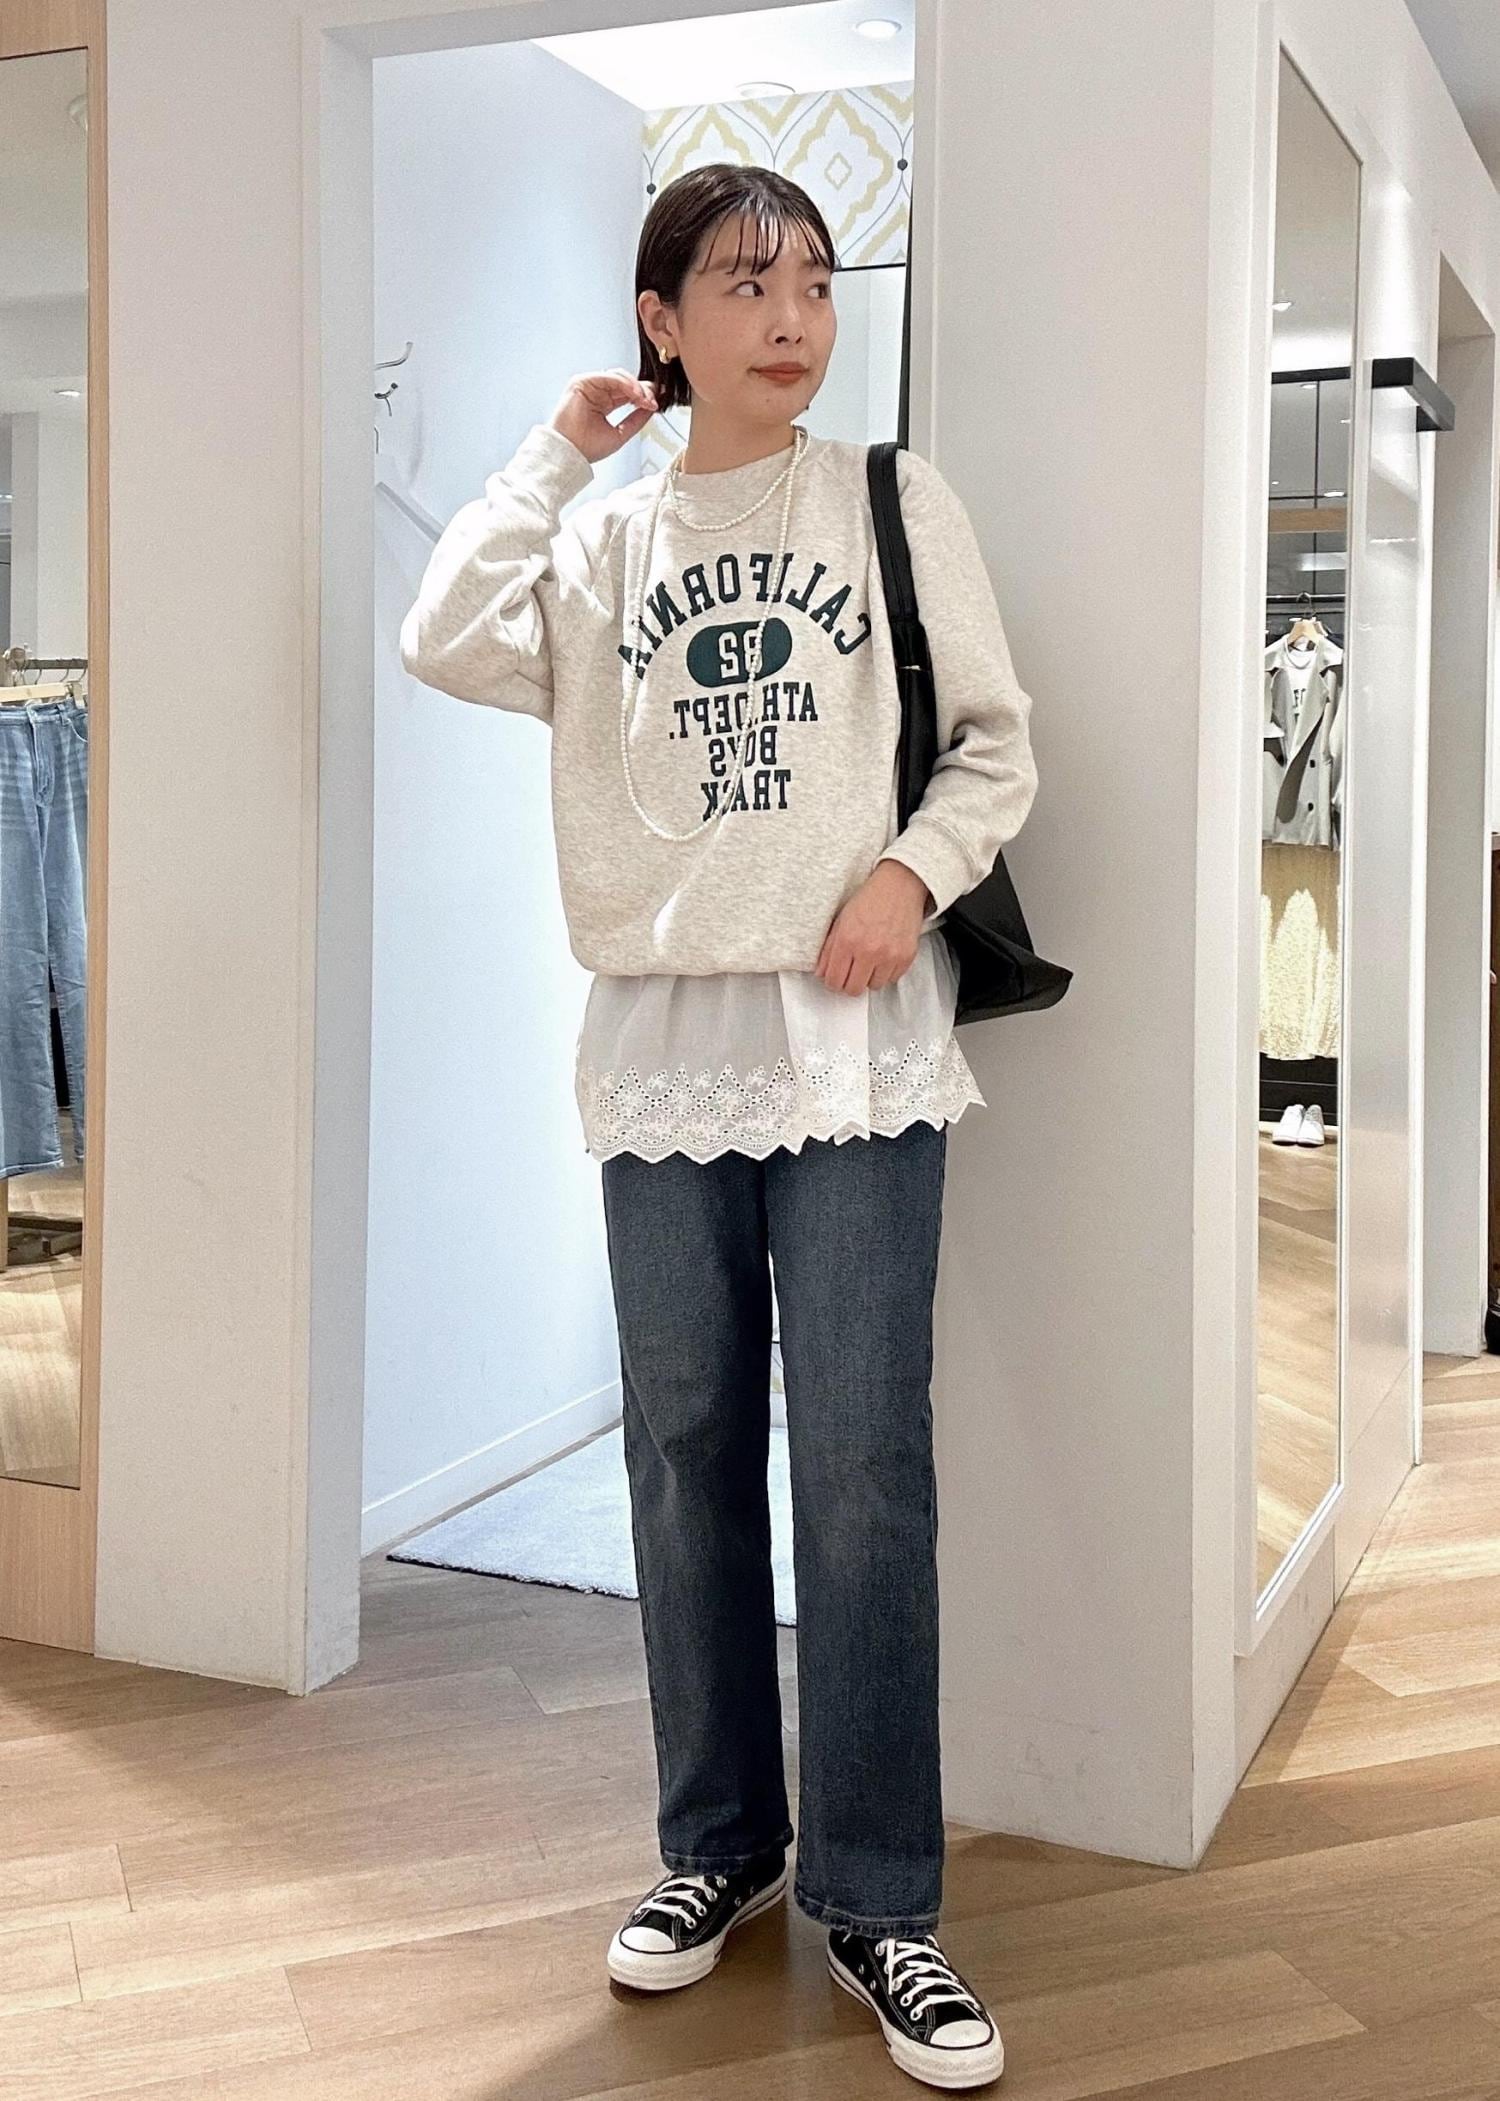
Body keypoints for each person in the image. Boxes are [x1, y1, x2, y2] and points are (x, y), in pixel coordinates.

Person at [399, 161, 1037, 2092]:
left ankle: (881, 1897)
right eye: (747, 284)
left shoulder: (892, 499)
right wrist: (555, 449)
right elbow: (441, 632)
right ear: (661, 319)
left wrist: (908, 878)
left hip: (853, 1043)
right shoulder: (601, 547)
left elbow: (995, 743)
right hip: (663, 1040)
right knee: (681, 1452)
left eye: (816, 282)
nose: (794, 318)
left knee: (862, 1466)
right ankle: (717, 1845)